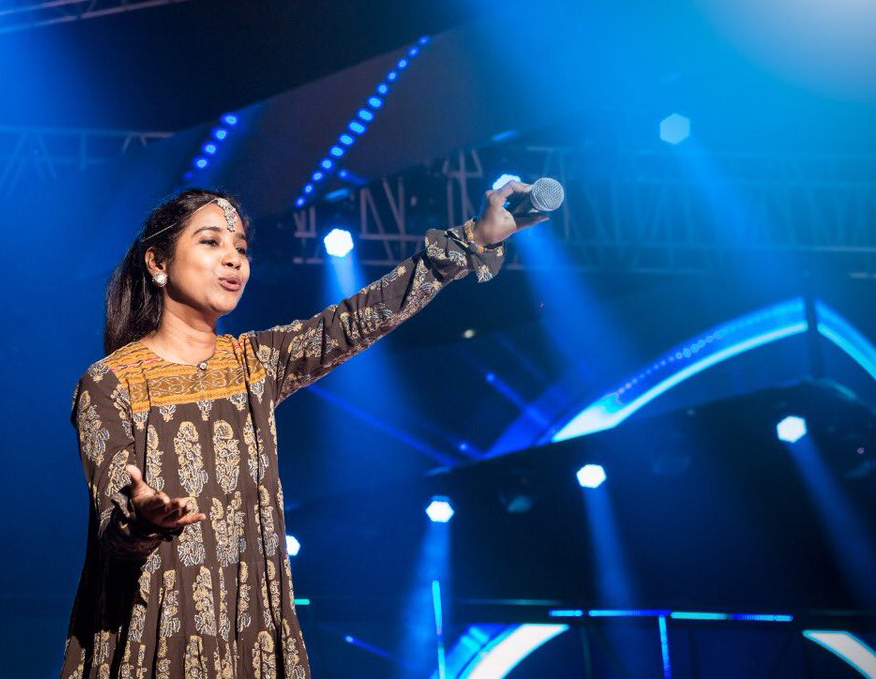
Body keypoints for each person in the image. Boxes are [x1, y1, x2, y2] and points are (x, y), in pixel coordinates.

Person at [60, 183, 545, 679]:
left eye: (242, 249)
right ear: (158, 263)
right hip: (155, 633)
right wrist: (142, 516)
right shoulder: (110, 383)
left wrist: (474, 238)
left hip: (252, 636)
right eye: (211, 242)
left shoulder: (257, 363)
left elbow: (362, 316)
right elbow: (114, 520)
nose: (234, 260)